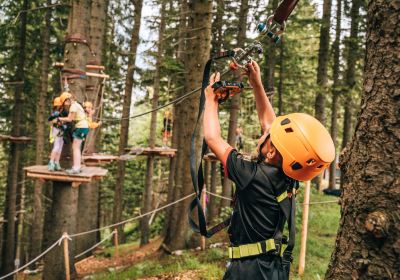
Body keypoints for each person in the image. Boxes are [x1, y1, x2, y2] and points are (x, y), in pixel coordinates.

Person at [203, 61, 335, 280]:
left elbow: (213, 138)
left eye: (267, 136)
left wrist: (210, 100)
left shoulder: (250, 175)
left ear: (272, 151)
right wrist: (257, 84)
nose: (263, 131)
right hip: (273, 269)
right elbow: (270, 125)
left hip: (247, 272)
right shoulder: (291, 175)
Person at [58, 92, 89, 174]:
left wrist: (60, 118)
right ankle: (77, 166)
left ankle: (76, 168)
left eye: (64, 102)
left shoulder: (73, 106)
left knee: (75, 148)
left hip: (81, 127)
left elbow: (70, 119)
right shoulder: (76, 104)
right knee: (76, 148)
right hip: (83, 126)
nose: (65, 104)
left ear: (67, 100)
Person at [48, 97, 64, 171]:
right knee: (57, 146)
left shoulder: (62, 111)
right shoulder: (55, 113)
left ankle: (57, 163)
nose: (59, 106)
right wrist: (54, 121)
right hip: (56, 130)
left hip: (61, 130)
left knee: (60, 147)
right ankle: (51, 162)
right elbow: (49, 121)